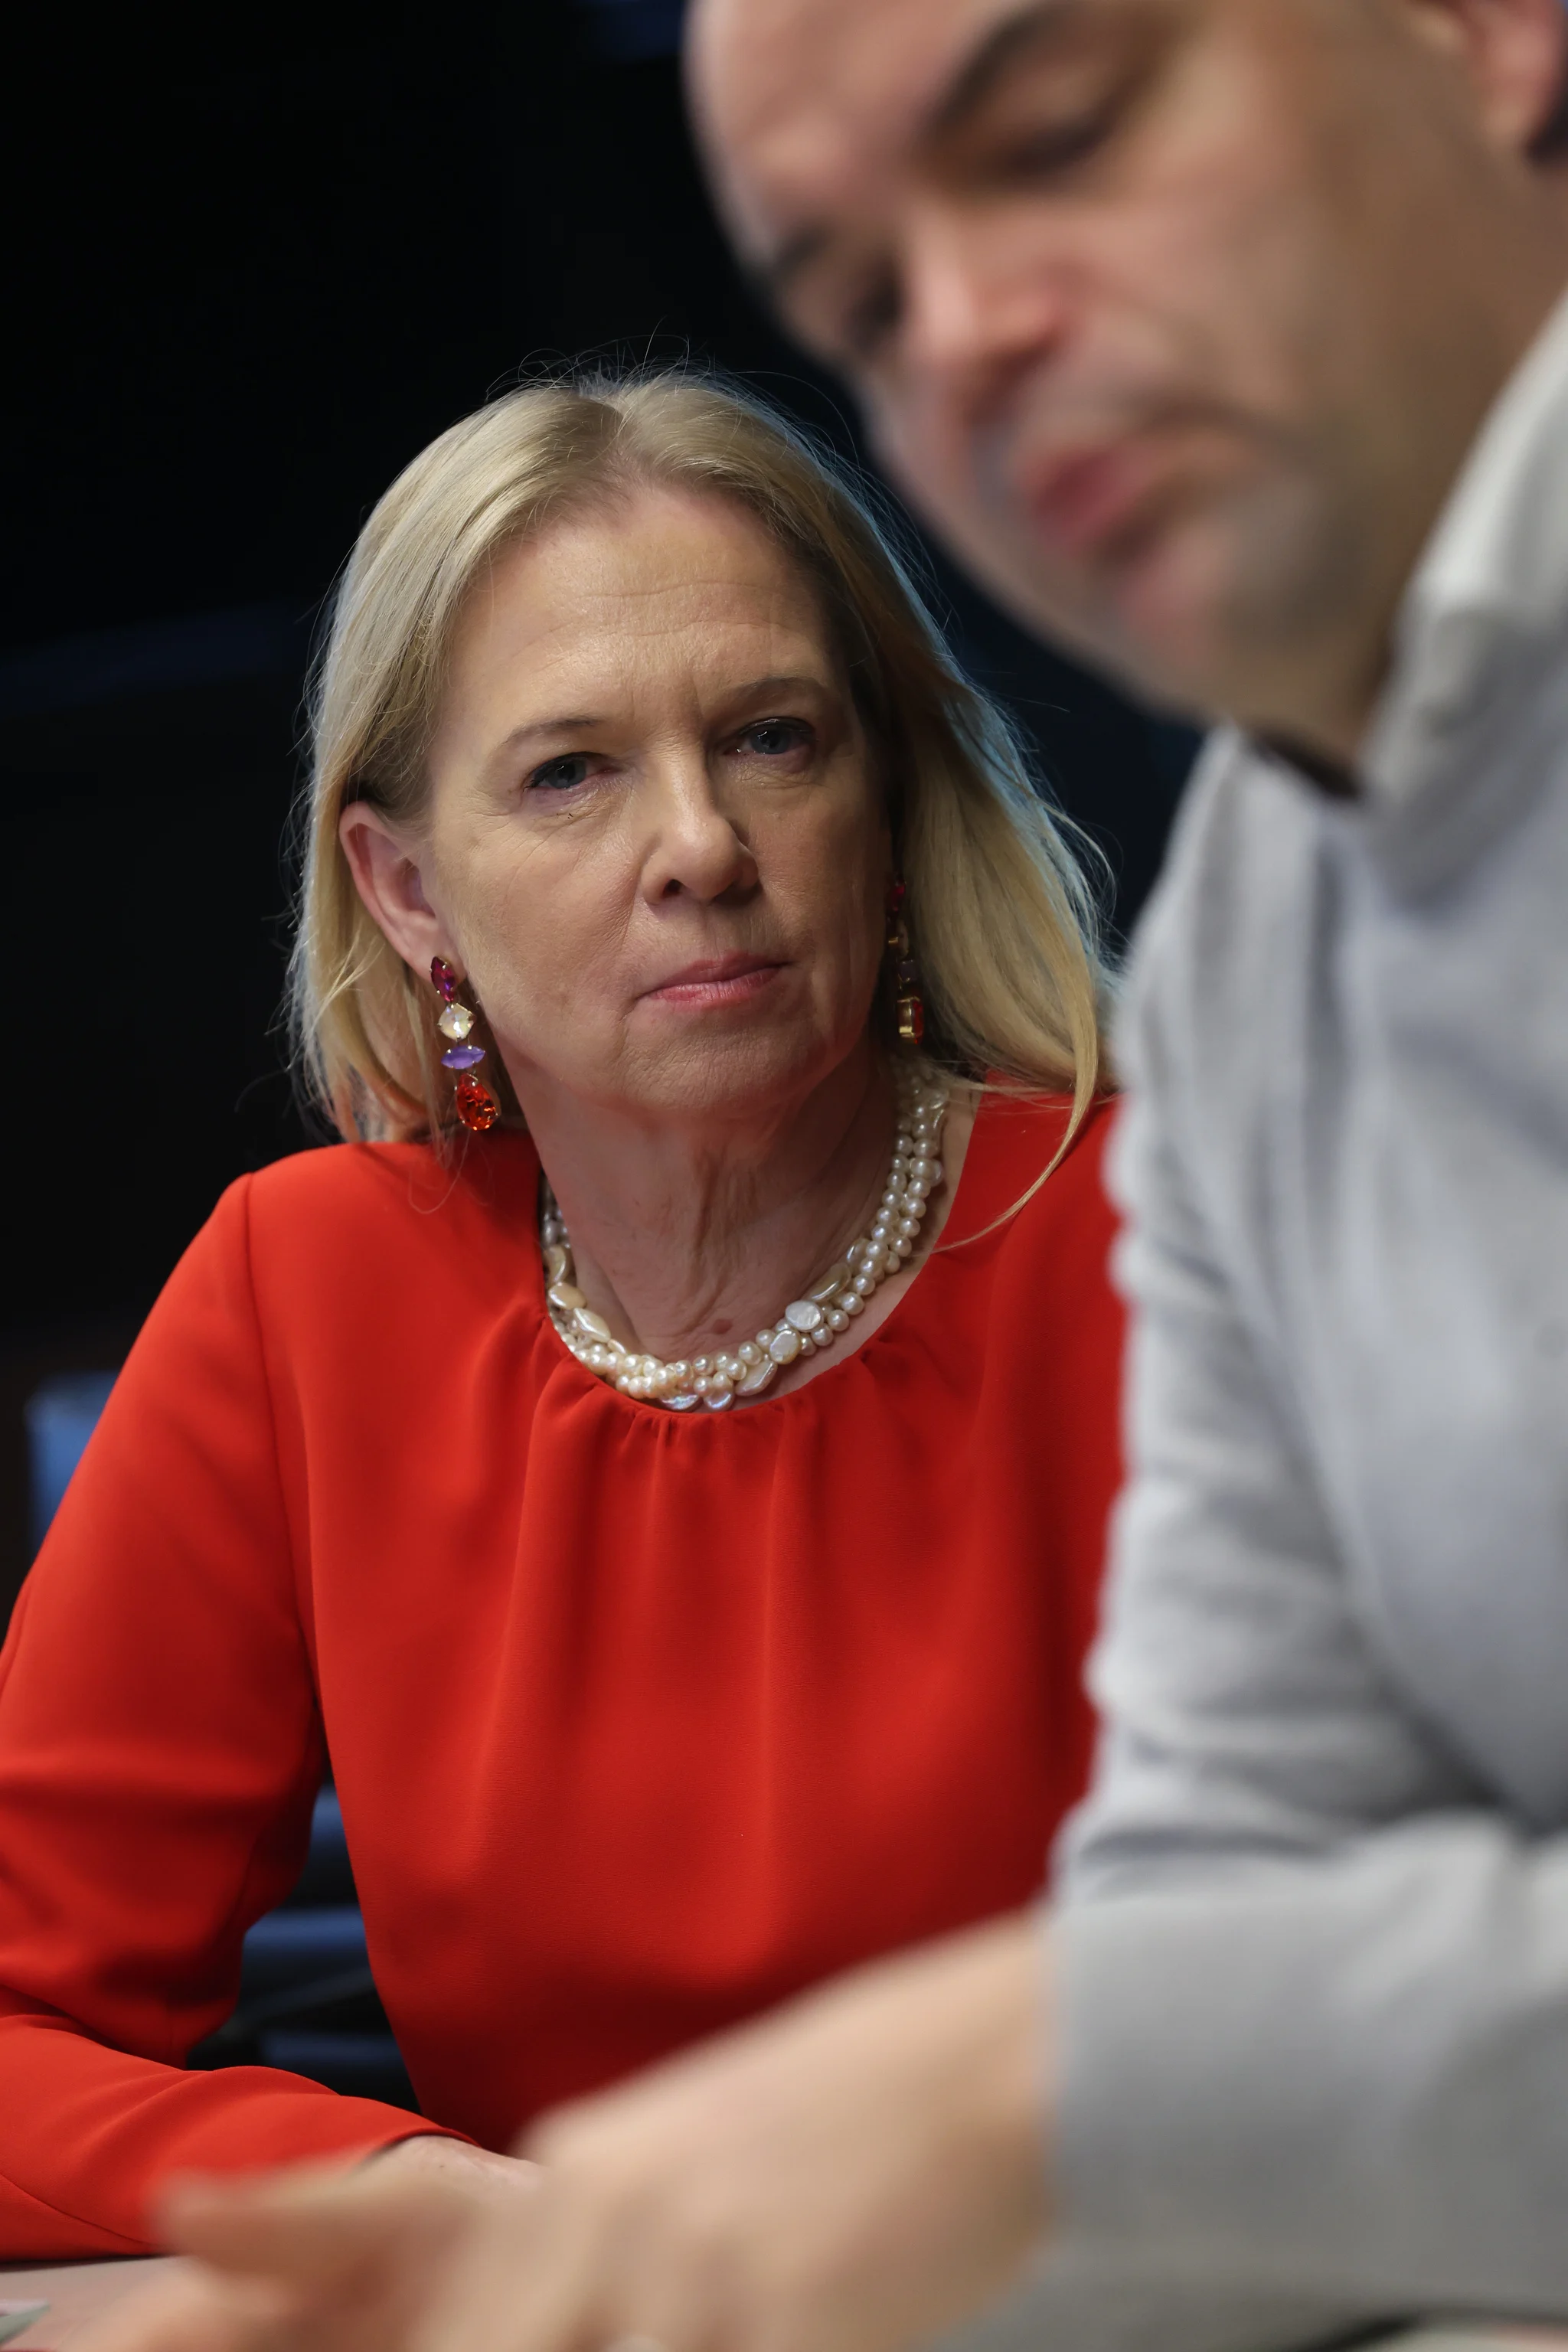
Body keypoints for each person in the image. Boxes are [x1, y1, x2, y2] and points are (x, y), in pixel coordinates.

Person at [96, 1, 1568, 2350]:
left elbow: (1189, 2041)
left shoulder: (1122, 1157)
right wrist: (498, 2225)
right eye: (863, 302)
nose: (972, 333)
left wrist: (975, 2118)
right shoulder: (1273, 945)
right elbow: (1230, 1933)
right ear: (402, 887)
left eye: (1064, 129)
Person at [0, 374, 1125, 2271]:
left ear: (886, 793)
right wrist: (410, 2192)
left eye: (773, 738)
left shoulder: (1148, 1242)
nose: (699, 844)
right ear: (408, 886)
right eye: (570, 773)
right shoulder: (305, 1291)